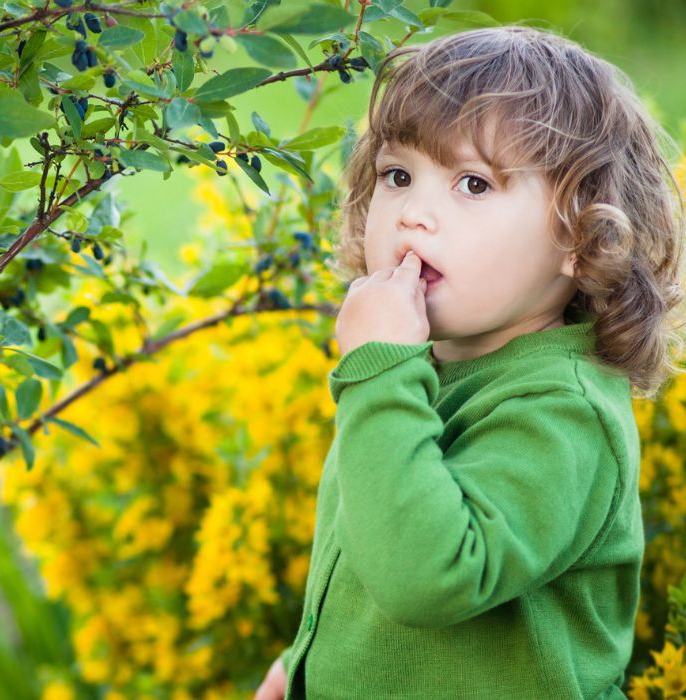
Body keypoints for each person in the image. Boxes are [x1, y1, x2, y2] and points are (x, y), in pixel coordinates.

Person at [254, 25, 685, 699]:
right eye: (397, 175)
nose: (412, 214)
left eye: (473, 184)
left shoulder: (561, 411)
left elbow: (427, 575)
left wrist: (379, 368)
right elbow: (375, 531)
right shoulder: (422, 366)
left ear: (581, 235)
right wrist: (304, 661)